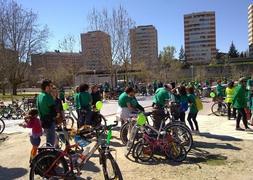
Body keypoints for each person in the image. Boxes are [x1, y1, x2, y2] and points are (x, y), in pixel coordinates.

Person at [36, 79, 56, 146]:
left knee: (48, 140)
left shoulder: (39, 96)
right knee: (51, 142)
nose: (52, 88)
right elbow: (54, 111)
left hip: (43, 121)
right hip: (49, 121)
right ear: (47, 87)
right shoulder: (48, 96)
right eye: (51, 86)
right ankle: (49, 156)